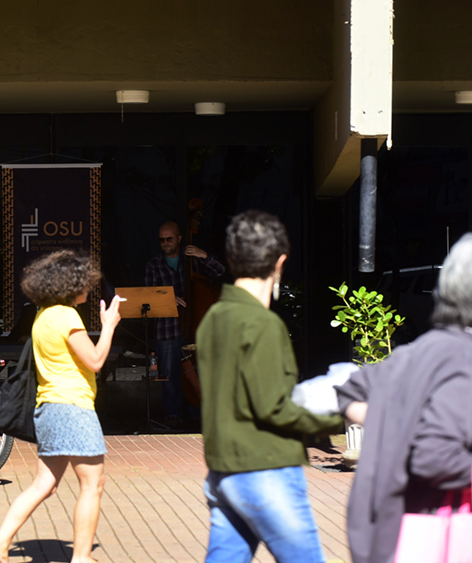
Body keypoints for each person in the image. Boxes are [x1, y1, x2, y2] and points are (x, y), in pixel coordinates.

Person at [196, 210, 341, 563]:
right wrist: (339, 419)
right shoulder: (263, 323)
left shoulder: (212, 318)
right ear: (280, 262)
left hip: (222, 472)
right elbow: (274, 408)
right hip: (266, 471)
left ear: (231, 259)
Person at [336, 233, 472, 563]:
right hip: (439, 537)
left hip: (387, 532)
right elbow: (435, 454)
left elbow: (349, 392)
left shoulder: (421, 349)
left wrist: (395, 423)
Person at [0, 249, 122, 563]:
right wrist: (109, 324)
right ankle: (82, 557)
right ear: (71, 284)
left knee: (44, 484)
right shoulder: (67, 316)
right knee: (93, 484)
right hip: (73, 408)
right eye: (85, 281)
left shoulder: (43, 315)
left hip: (48, 409)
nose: (89, 287)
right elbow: (96, 360)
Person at [144, 220, 224, 426]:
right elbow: (149, 296)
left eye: (169, 239)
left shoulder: (193, 260)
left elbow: (220, 272)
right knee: (169, 373)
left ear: (179, 238)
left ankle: (199, 413)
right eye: (161, 240)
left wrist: (203, 255)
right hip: (166, 327)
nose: (165, 243)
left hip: (195, 327)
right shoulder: (154, 265)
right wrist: (168, 299)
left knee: (199, 370)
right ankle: (174, 415)